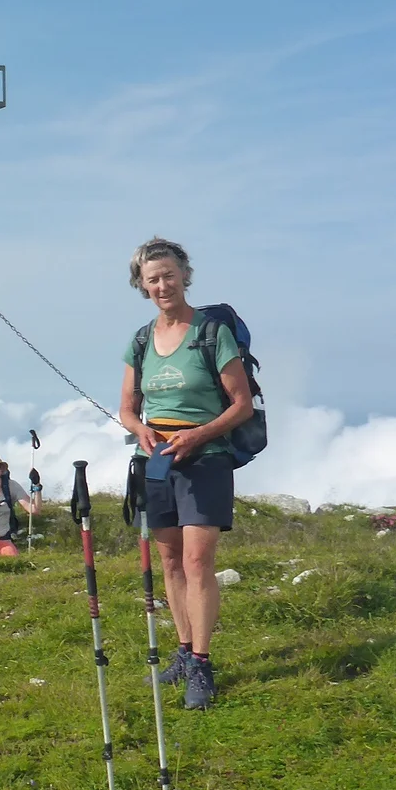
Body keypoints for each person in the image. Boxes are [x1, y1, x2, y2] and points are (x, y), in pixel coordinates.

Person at [117, 236, 255, 712]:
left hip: (206, 457)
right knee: (170, 562)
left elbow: (241, 405)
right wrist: (141, 433)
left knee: (198, 562)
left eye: (169, 275)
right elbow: (128, 410)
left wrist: (198, 436)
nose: (162, 285)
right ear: (142, 284)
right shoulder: (140, 340)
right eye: (152, 279)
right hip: (159, 461)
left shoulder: (211, 332)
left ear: (184, 276)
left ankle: (201, 661)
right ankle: (181, 650)